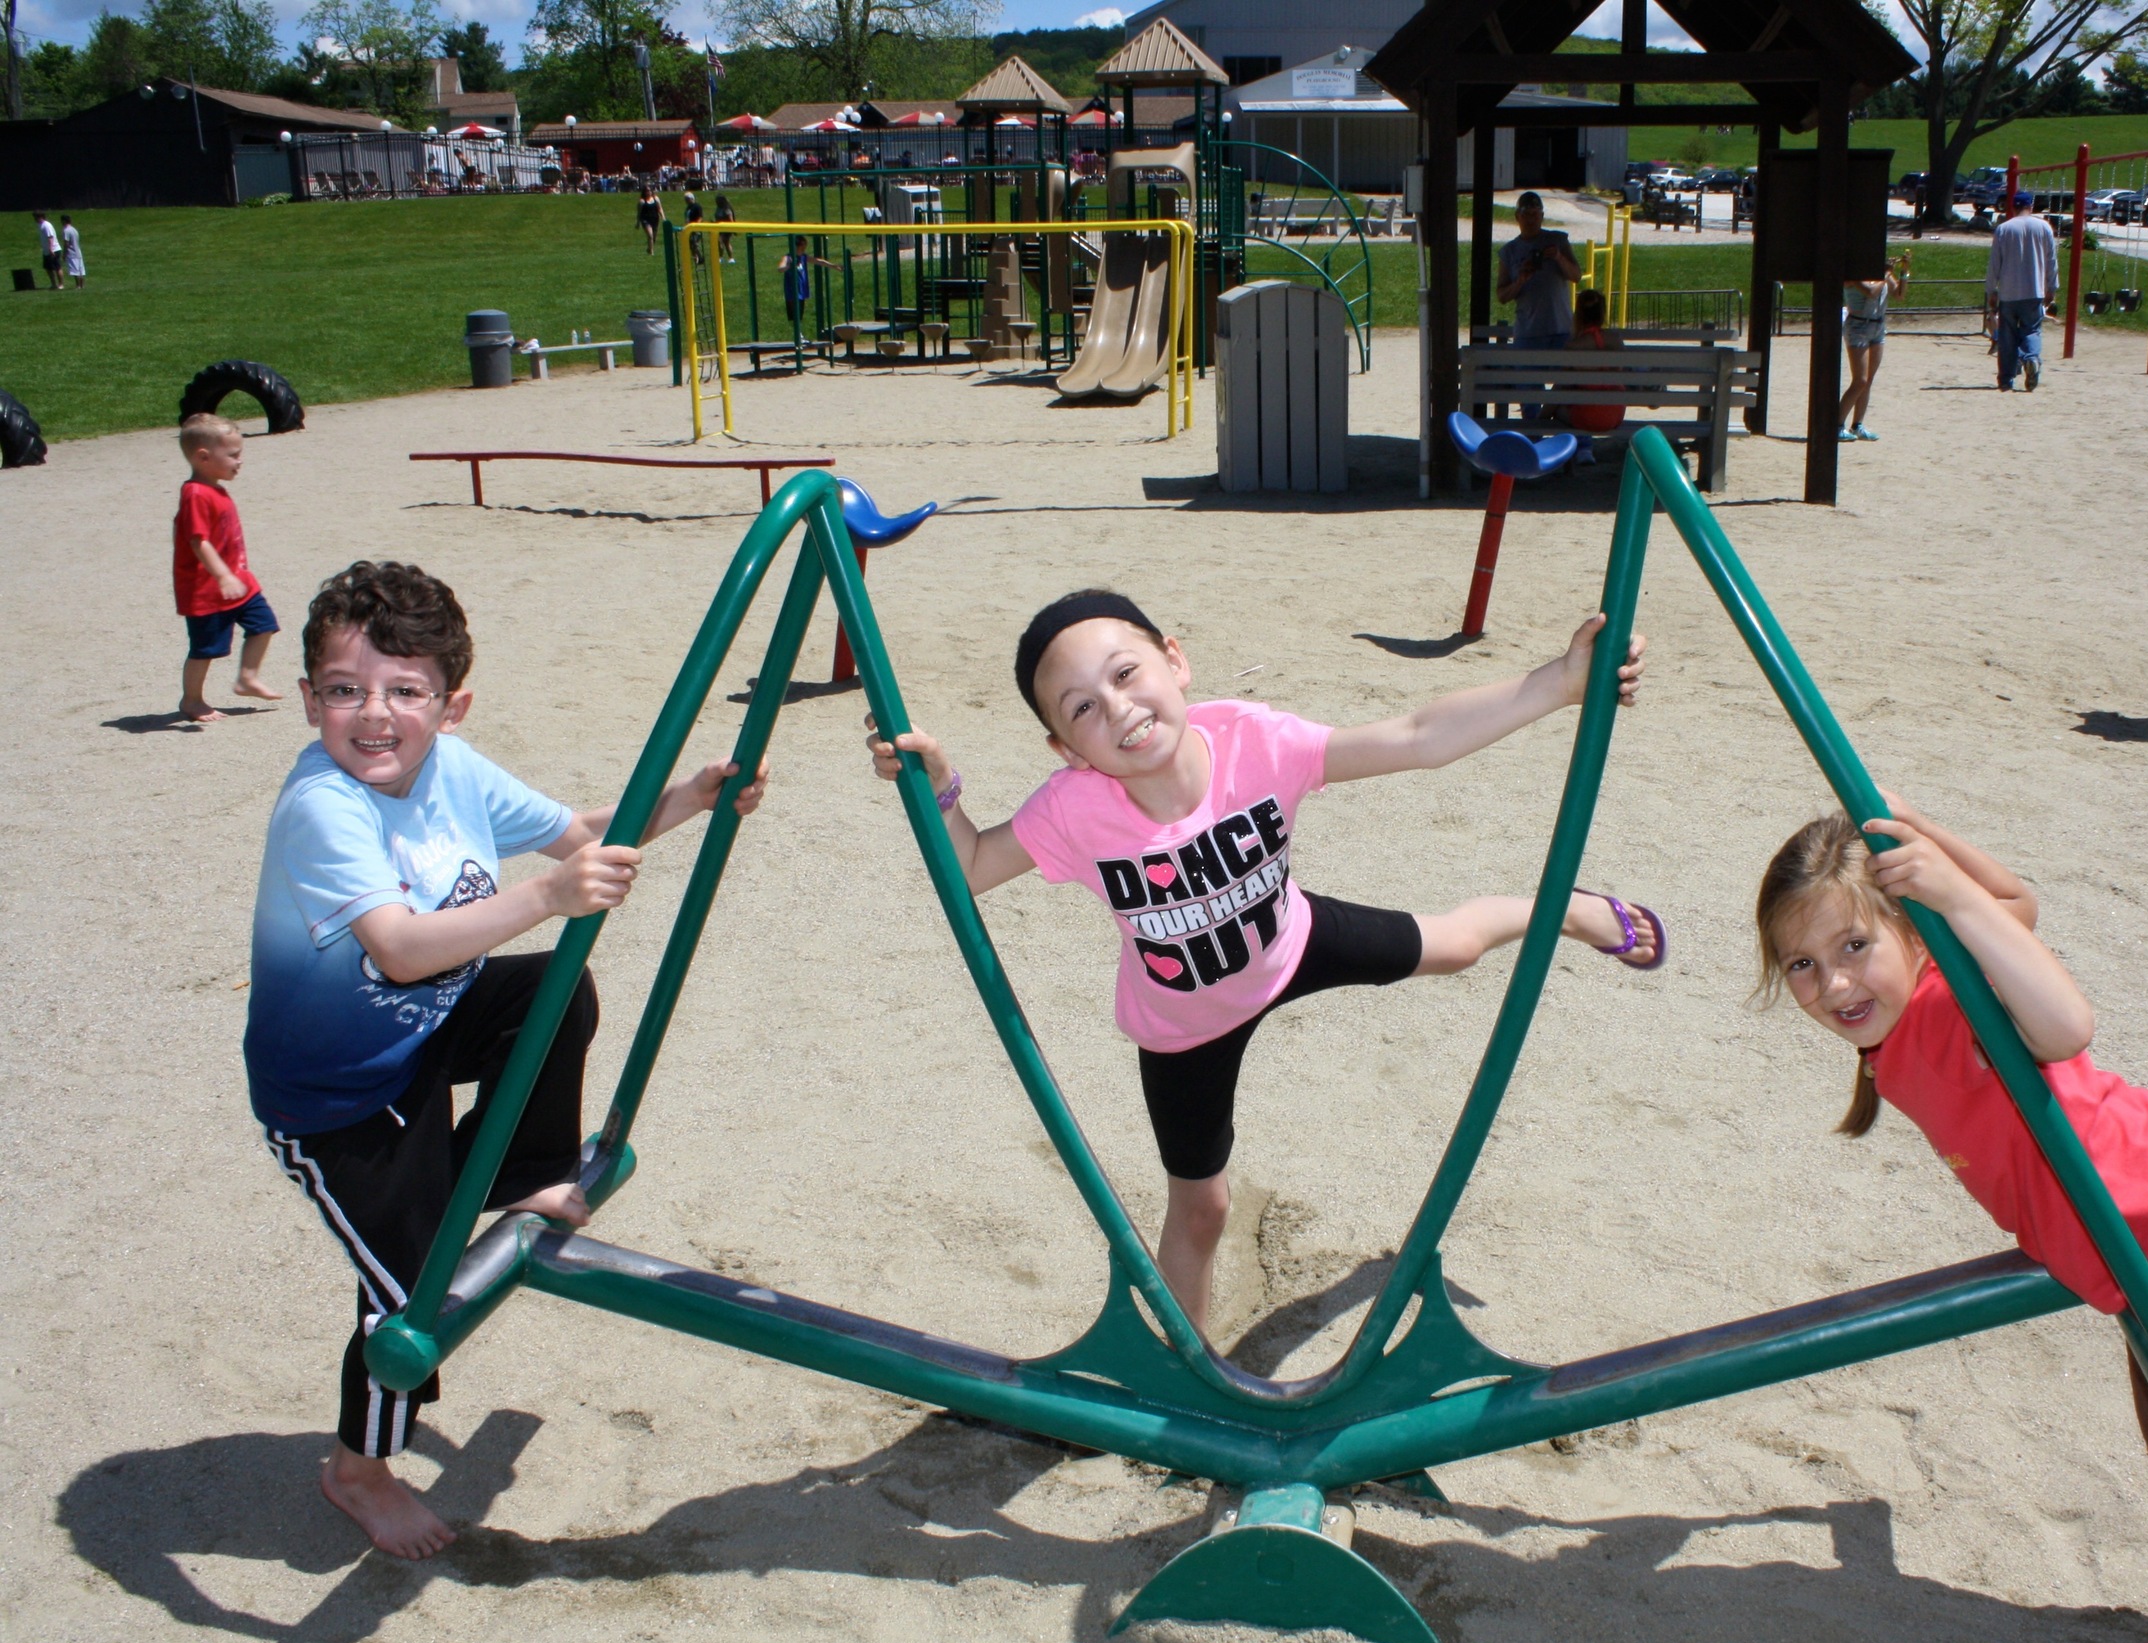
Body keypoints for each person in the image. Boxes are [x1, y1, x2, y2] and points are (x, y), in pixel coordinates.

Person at [863, 593, 1664, 1335]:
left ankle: (1559, 908)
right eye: (1083, 708)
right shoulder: (1073, 809)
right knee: (1201, 1206)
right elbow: (968, 867)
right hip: (1182, 1028)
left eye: (1126, 673)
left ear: (1175, 661)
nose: (1119, 709)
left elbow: (1419, 738)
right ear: (1064, 746)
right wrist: (939, 788)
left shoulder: (1256, 743)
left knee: (1454, 947)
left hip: (1290, 943)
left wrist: (1561, 682)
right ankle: (1192, 1366)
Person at [1754, 804, 2148, 1643]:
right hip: (2141, 1245)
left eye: (1855, 946)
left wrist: (1947, 888)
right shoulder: (1911, 1005)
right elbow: (2018, 901)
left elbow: (2066, 1024)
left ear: (1911, 932)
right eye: (1803, 964)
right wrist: (1931, 854)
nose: (1836, 984)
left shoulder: (1958, 995)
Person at [247, 560, 770, 1559]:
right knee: (405, 1285)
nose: (374, 715)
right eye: (347, 689)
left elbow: (580, 834)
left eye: (406, 691)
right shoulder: (326, 805)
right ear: (310, 696)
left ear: (451, 704)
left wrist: (694, 797)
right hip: (338, 1094)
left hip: (427, 1025)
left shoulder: (455, 765)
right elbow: (397, 946)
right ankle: (356, 1469)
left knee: (548, 989)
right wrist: (543, 898)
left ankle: (522, 1171)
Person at [173, 413, 283, 723]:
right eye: (233, 455)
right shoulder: (195, 494)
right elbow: (198, 541)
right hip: (206, 591)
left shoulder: (215, 489)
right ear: (203, 457)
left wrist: (233, 575)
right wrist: (222, 575)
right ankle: (191, 700)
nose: (240, 461)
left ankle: (247, 678)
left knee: (264, 624)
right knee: (205, 649)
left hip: (239, 582)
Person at [1986, 190, 2058, 392]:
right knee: (2032, 329)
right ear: (2031, 207)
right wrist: (2052, 286)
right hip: (2034, 289)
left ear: (2013, 207)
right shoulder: (2044, 227)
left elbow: (1995, 262)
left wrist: (1991, 289)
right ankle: (2032, 358)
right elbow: (2051, 260)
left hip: (2009, 291)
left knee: (2007, 335)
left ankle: (2006, 378)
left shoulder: (2003, 229)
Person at [1839, 248, 1909, 441]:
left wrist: (1903, 271)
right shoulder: (1853, 276)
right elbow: (1870, 292)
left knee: (1868, 380)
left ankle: (1857, 425)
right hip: (1858, 326)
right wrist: (1886, 273)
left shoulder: (1881, 276)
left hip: (1878, 326)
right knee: (1859, 380)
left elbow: (1900, 294)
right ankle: (1836, 424)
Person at [1495, 191, 1581, 347]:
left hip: (1560, 331)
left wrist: (1558, 257)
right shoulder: (1509, 251)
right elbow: (1501, 295)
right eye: (1526, 214)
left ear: (1542, 216)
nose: (1531, 220)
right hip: (1528, 334)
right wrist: (1520, 281)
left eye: (1535, 214)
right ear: (1517, 217)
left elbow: (1576, 276)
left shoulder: (1558, 240)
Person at [1561, 287, 1626, 438]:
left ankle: (1579, 450)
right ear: (1603, 314)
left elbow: (1563, 385)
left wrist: (1543, 415)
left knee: (1561, 408)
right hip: (1614, 414)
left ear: (1578, 315)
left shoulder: (1573, 346)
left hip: (1586, 416)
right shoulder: (1615, 340)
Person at [35, 211, 63, 290]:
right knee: (48, 268)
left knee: (57, 267)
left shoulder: (46, 225)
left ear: (41, 217)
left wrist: (51, 248)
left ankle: (61, 284)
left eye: (36, 217)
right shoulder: (40, 225)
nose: (35, 219)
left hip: (54, 250)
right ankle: (53, 284)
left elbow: (50, 237)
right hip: (46, 251)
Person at [60, 213, 85, 288]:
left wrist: (64, 254)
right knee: (80, 271)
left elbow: (66, 244)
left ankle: (78, 286)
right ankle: (82, 285)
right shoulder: (74, 229)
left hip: (72, 253)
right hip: (78, 252)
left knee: (75, 271)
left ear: (64, 221)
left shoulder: (66, 231)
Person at [636, 182, 662, 253]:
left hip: (655, 219)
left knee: (653, 238)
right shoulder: (642, 201)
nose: (648, 192)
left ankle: (649, 248)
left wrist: (663, 217)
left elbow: (660, 209)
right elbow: (639, 213)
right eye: (647, 191)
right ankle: (652, 251)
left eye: (650, 191)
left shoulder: (655, 199)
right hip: (645, 220)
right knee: (650, 235)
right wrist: (638, 223)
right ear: (644, 192)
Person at [713, 192, 737, 262]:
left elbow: (731, 219)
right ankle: (722, 257)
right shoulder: (718, 208)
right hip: (720, 228)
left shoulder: (727, 209)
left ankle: (730, 258)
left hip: (727, 228)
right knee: (723, 242)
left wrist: (732, 228)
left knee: (722, 241)